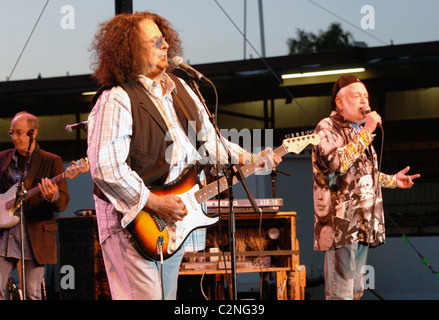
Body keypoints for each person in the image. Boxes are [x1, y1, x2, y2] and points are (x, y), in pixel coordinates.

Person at [87, 11, 281, 300]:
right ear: (130, 50)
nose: (165, 46)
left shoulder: (183, 90)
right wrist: (153, 202)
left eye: (164, 39)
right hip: (131, 221)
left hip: (171, 218)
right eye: (154, 42)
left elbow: (210, 143)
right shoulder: (116, 97)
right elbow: (106, 167)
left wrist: (250, 159)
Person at [312, 75, 420, 300]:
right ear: (340, 103)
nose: (364, 101)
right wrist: (365, 133)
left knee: (355, 292)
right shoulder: (326, 127)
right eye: (357, 96)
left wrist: (392, 180)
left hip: (363, 222)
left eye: (366, 96)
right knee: (340, 294)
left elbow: (360, 175)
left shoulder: (359, 131)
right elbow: (337, 164)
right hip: (340, 225)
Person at [0, 111, 70, 300]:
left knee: (32, 294)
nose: (15, 138)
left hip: (34, 236)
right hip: (4, 237)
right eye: (11, 133)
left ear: (34, 133)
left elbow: (63, 202)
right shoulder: (2, 159)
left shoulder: (51, 161)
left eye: (20, 133)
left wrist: (52, 195)